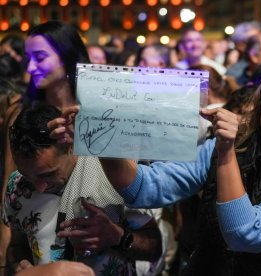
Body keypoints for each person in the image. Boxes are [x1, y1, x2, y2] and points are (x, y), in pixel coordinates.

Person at [51, 62, 261, 275]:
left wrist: (226, 151)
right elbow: (146, 189)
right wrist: (100, 135)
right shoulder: (225, 148)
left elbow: (245, 234)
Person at [3, 104, 162, 275]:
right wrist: (21, 265)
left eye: (48, 174)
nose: (39, 187)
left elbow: (155, 248)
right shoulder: (17, 186)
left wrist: (117, 236)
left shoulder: (113, 175)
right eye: (27, 175)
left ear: (70, 146)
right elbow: (17, 244)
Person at [0, 21, 91, 275]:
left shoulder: (95, 111)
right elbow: (12, 180)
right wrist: (7, 260)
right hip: (40, 243)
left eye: (39, 58)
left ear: (67, 55)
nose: (30, 68)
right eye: (28, 59)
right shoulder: (21, 111)